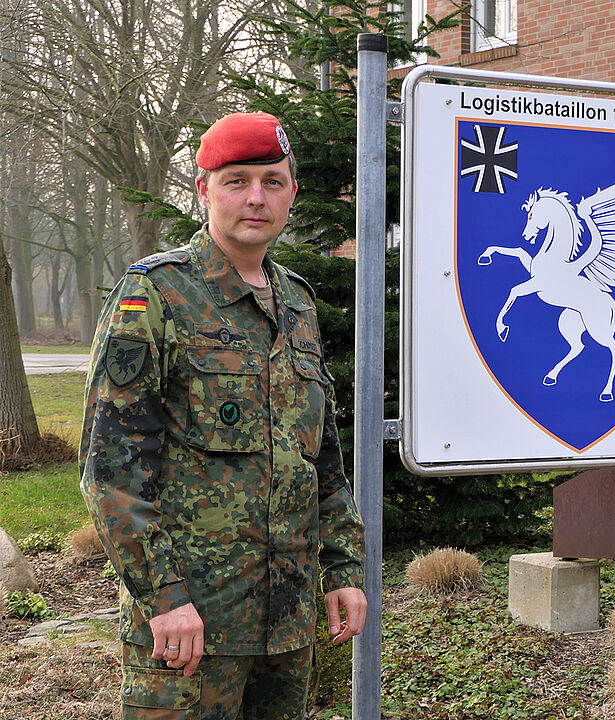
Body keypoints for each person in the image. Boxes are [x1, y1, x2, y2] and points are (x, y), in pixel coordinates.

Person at [80, 112, 367, 719]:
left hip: (286, 623)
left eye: (273, 180)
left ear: (293, 192)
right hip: (193, 626)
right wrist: (165, 597)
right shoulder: (155, 295)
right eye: (237, 180)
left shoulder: (297, 303)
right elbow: (112, 471)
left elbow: (324, 460)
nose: (256, 197)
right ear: (204, 190)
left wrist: (345, 567)